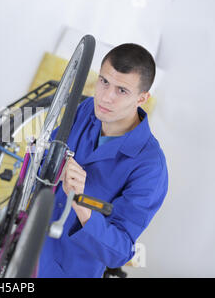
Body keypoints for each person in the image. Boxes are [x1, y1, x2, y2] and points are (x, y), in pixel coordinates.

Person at [38, 43, 168, 278]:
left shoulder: (150, 167)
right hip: (25, 249)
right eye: (104, 81)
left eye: (122, 90)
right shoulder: (88, 109)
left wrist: (80, 202)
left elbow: (119, 252)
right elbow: (46, 158)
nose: (106, 97)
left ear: (142, 98)